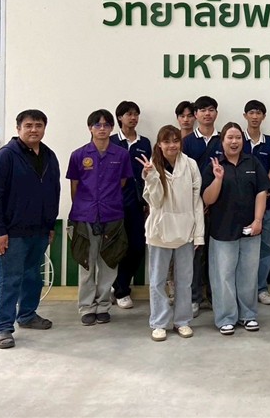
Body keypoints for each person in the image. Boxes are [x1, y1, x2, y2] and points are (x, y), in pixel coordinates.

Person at [0, 109, 61, 349]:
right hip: (12, 231)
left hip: (40, 230)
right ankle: (2, 328)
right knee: (9, 280)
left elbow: (54, 192)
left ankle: (27, 315)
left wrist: (50, 225)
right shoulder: (6, 157)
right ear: (18, 129)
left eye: (38, 125)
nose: (34, 130)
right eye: (28, 125)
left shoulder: (49, 156)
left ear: (44, 128)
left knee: (32, 277)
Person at [202, 122, 270, 336]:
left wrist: (258, 220)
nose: (234, 142)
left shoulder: (253, 162)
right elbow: (207, 199)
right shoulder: (214, 164)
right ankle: (225, 318)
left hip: (250, 229)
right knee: (223, 275)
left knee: (248, 274)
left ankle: (248, 315)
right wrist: (218, 178)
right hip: (222, 229)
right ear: (222, 141)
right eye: (230, 138)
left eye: (238, 138)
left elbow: (262, 192)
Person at [66, 110, 134, 326]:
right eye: (97, 125)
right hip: (85, 216)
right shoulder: (78, 155)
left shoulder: (121, 155)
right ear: (90, 128)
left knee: (108, 264)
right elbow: (75, 186)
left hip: (112, 215)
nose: (102, 128)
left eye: (106, 125)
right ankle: (86, 307)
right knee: (87, 264)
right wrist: (84, 207)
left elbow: (122, 182)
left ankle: (103, 305)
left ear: (112, 128)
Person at [137, 126, 204, 342]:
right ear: (159, 144)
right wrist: (151, 177)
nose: (171, 145)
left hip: (185, 230)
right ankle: (159, 322)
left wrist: (199, 234)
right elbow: (155, 201)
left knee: (184, 280)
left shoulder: (190, 165)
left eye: (175, 140)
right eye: (167, 141)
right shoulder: (152, 166)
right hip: (160, 230)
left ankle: (182, 321)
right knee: (157, 280)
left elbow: (197, 202)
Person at [109, 100, 153, 310]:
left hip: (137, 202)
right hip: (112, 202)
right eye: (128, 114)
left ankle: (121, 286)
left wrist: (148, 201)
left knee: (136, 246)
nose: (133, 118)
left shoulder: (144, 143)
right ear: (120, 117)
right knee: (113, 247)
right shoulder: (110, 141)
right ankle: (117, 288)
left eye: (136, 114)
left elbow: (149, 173)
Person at [182, 95, 223, 317]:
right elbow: (183, 174)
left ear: (216, 113)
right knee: (196, 253)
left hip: (220, 205)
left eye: (211, 109)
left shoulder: (224, 139)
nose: (207, 113)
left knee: (217, 253)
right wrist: (198, 202)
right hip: (193, 206)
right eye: (203, 110)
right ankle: (195, 298)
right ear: (196, 114)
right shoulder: (187, 142)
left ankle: (216, 296)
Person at [241, 99, 270, 305]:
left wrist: (266, 190)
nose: (255, 116)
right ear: (245, 115)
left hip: (266, 204)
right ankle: (243, 290)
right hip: (242, 205)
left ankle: (261, 288)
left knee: (267, 247)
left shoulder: (269, 142)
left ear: (264, 116)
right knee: (242, 248)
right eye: (251, 113)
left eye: (258, 113)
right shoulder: (238, 139)